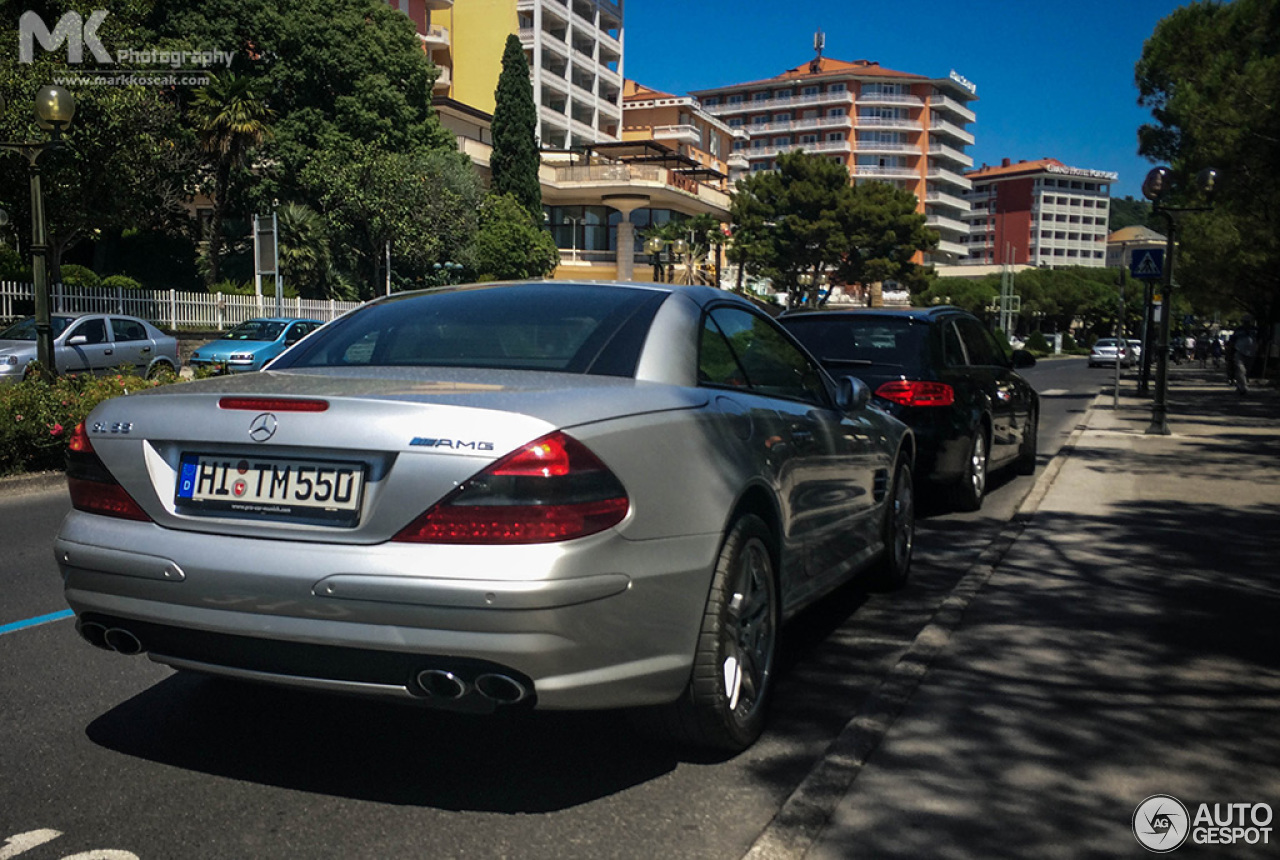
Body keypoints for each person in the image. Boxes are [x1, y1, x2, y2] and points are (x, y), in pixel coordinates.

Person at [1229, 320, 1259, 395]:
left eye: (1248, 322)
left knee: (1247, 370)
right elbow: (1232, 340)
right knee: (1240, 369)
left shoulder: (1255, 330)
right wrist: (1230, 350)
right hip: (1239, 351)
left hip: (1251, 352)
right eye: (1245, 322)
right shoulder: (1239, 330)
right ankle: (1244, 387)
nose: (1246, 324)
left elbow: (1260, 340)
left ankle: (1240, 385)